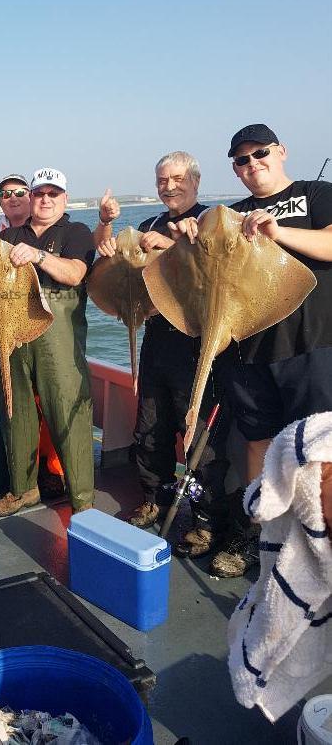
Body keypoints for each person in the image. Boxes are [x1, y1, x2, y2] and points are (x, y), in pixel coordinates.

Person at [172, 124, 332, 575]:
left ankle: (320, 544)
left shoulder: (316, 194)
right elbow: (196, 259)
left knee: (320, 449)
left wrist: (278, 232)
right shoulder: (232, 213)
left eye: (259, 153)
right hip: (249, 347)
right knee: (258, 442)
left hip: (312, 345)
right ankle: (259, 535)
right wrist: (189, 233)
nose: (251, 164)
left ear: (280, 151)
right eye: (240, 160)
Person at [97, 152, 231, 560]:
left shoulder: (213, 219)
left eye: (177, 178)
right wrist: (111, 244)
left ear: (195, 180)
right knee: (150, 428)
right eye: (162, 180)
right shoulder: (149, 223)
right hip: (158, 339)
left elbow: (221, 272)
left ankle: (207, 522)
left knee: (200, 440)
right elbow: (130, 268)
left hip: (199, 344)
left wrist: (171, 247)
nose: (169, 186)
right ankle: (154, 497)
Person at [0, 167, 96, 516]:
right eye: (39, 193)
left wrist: (39, 256)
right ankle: (23, 489)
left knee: (68, 409)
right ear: (31, 197)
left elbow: (75, 273)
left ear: (64, 198)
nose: (46, 199)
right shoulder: (11, 233)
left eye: (54, 194)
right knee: (14, 410)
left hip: (59, 338)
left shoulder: (76, 232)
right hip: (12, 333)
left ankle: (82, 498)